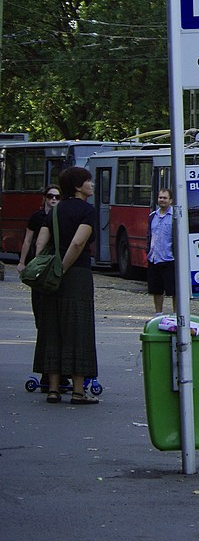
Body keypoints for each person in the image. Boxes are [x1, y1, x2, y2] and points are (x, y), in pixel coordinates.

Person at [34, 166, 99, 405]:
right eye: (87, 181)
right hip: (76, 275)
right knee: (77, 329)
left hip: (51, 278)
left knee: (53, 327)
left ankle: (52, 389)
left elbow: (41, 243)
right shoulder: (87, 211)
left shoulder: (55, 210)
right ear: (77, 186)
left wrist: (50, 270)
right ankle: (78, 391)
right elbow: (77, 244)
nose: (91, 184)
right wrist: (63, 268)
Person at [17, 185, 61, 387]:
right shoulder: (37, 218)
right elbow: (28, 241)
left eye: (57, 197)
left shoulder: (61, 216)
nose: (54, 199)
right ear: (44, 198)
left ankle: (53, 371)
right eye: (51, 196)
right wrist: (22, 262)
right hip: (40, 270)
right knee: (40, 316)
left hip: (54, 269)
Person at [147, 188, 176, 314]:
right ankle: (158, 314)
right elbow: (149, 235)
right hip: (154, 258)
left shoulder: (175, 217)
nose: (162, 200)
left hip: (170, 259)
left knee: (174, 290)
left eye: (165, 198)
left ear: (171, 200)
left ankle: (177, 314)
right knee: (156, 289)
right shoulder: (152, 216)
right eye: (160, 198)